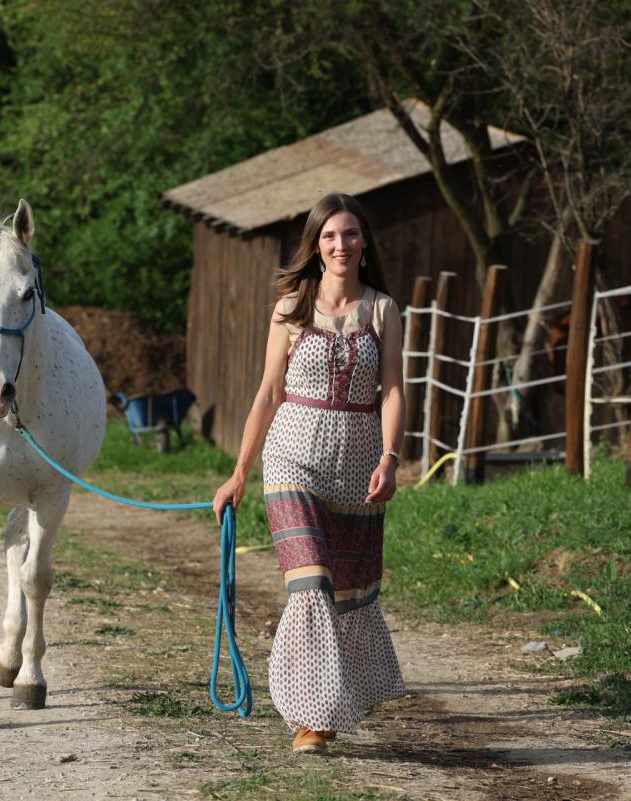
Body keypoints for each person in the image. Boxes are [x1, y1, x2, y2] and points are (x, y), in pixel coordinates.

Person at [212, 192, 406, 754]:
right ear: (316, 246)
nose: (341, 245)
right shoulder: (291, 307)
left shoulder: (383, 310)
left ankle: (335, 697)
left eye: (350, 234)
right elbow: (269, 391)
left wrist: (390, 457)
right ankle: (311, 717)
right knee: (311, 582)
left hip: (358, 465)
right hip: (292, 456)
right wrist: (239, 473)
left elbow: (392, 390)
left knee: (347, 592)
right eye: (329, 236)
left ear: (364, 242)